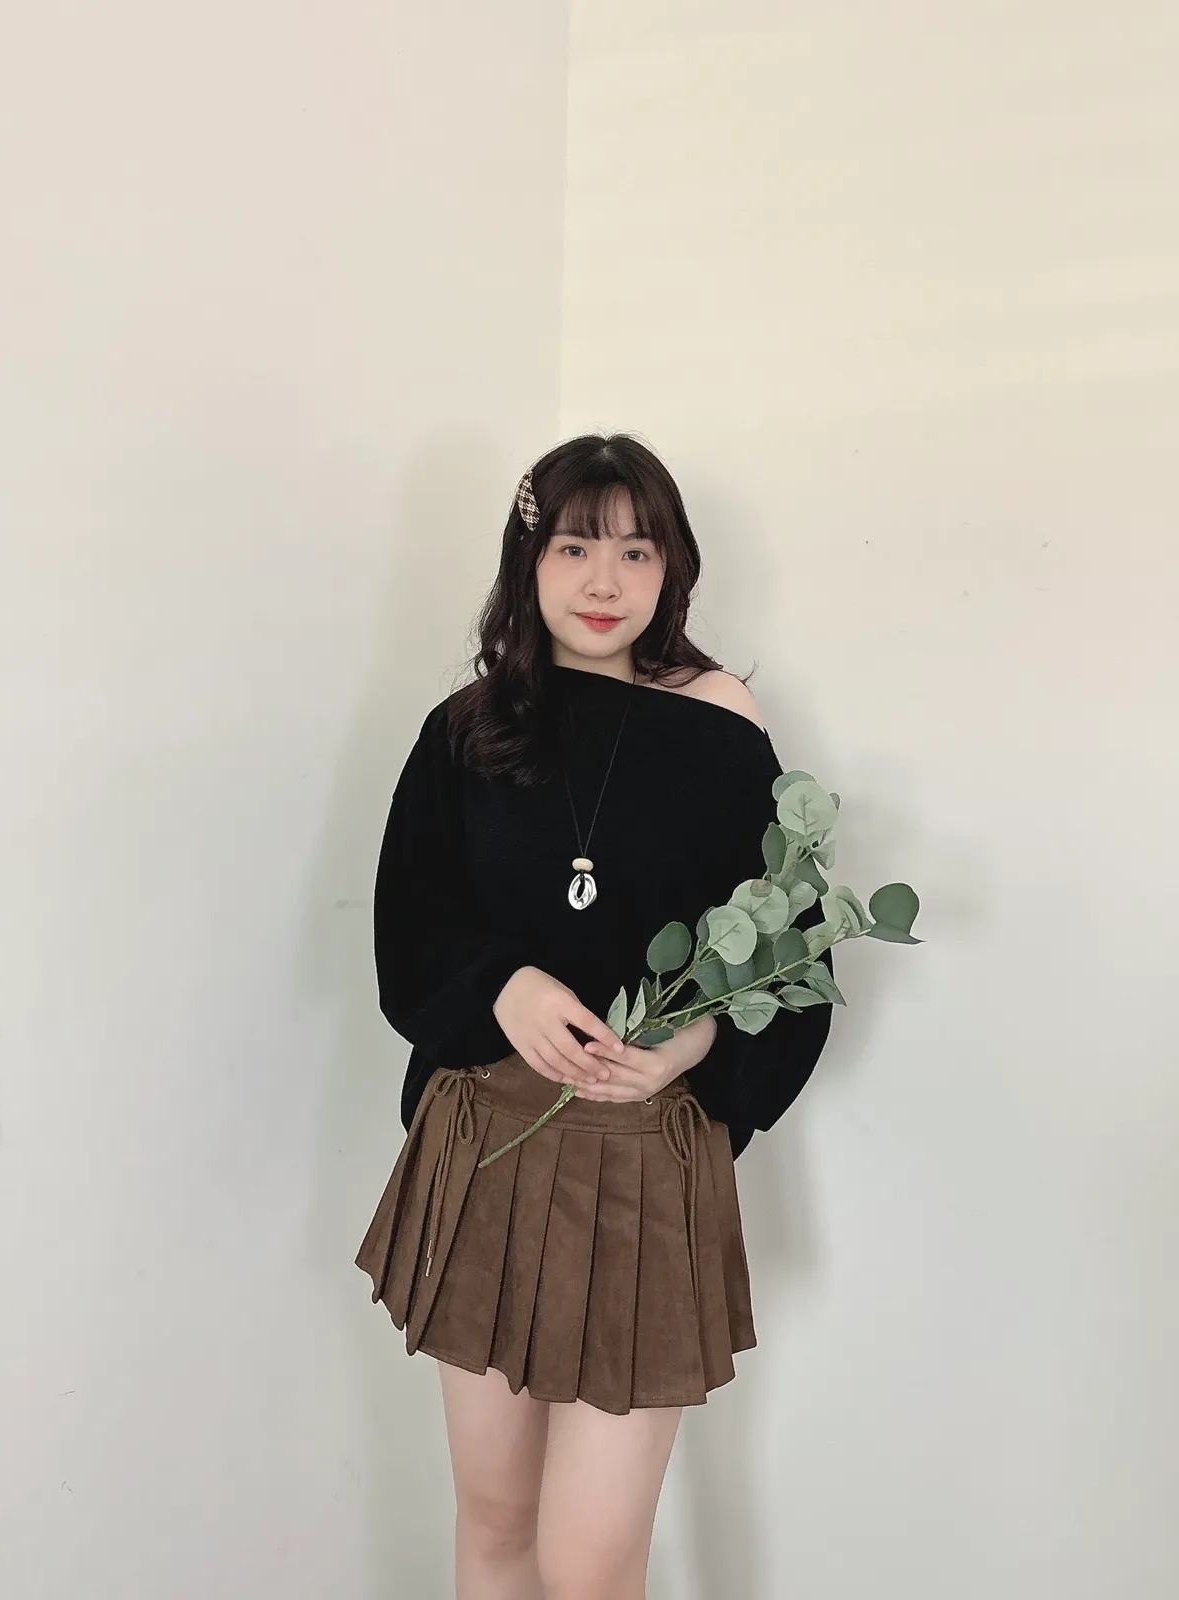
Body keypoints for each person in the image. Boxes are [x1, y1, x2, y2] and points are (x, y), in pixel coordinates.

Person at [355, 433, 833, 1600]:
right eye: (574, 547)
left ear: (674, 568)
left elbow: (795, 946)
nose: (604, 580)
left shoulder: (723, 723)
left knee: (590, 1561)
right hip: (485, 1146)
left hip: (644, 1159)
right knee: (496, 1521)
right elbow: (408, 926)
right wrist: (503, 985)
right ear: (528, 561)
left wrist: (700, 1039)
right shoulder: (467, 728)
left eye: (636, 550)